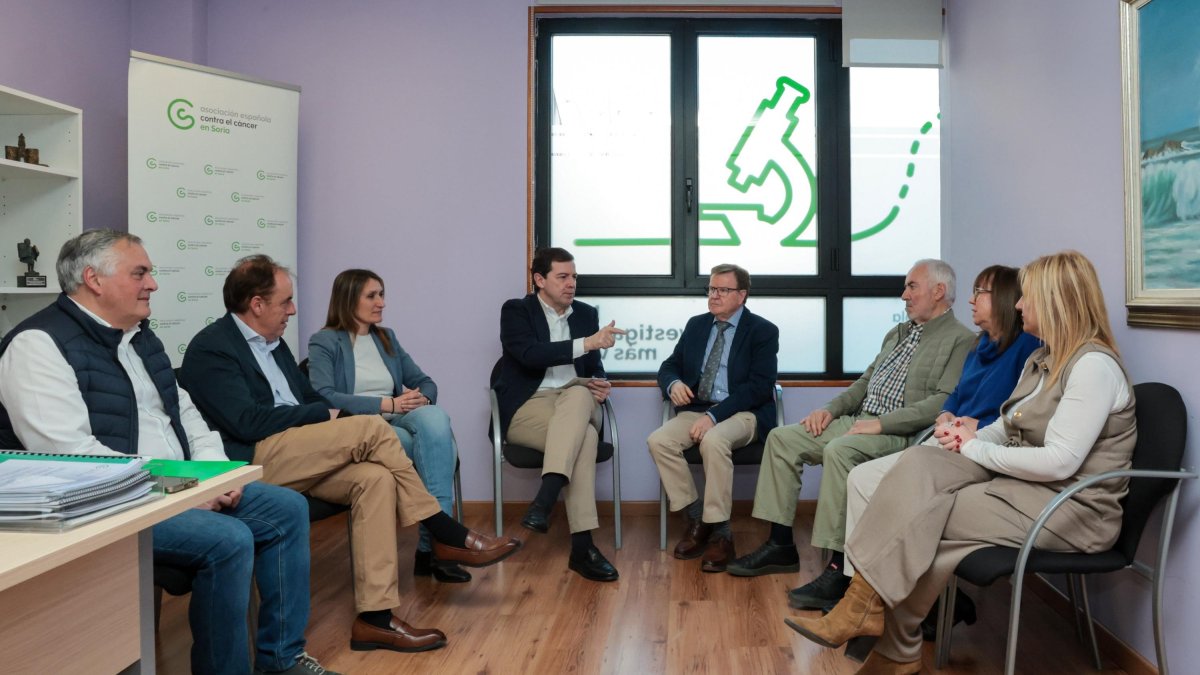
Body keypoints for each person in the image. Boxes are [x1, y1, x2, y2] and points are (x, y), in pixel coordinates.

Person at [0, 230, 336, 675]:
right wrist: (180, 491)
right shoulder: (37, 344)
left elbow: (187, 413)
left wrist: (217, 476)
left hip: (179, 487)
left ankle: (282, 659)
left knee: (287, 508)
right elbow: (77, 461)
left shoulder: (140, 337)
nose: (153, 284)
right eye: (140, 272)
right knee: (229, 539)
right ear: (93, 279)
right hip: (112, 508)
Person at [785, 251, 1136, 675]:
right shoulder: (1043, 361)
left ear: (1057, 301)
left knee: (920, 515)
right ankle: (880, 629)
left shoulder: (1093, 367)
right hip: (1025, 492)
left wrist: (972, 448)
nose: (1019, 304)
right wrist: (965, 437)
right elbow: (1007, 424)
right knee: (918, 465)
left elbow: (1061, 463)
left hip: (1071, 509)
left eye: (1028, 297)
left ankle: (872, 619)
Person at [179, 254, 521, 654]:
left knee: (373, 478)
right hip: (253, 458)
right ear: (256, 304)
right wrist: (326, 414)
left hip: (301, 447)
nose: (293, 310)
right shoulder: (212, 348)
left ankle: (375, 620)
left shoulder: (275, 346)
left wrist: (322, 414)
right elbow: (248, 422)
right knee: (371, 426)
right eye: (285, 302)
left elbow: (306, 396)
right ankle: (444, 531)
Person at [793, 265, 1042, 614]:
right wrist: (946, 415)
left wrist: (970, 426)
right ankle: (860, 587)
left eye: (980, 292)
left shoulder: (1028, 349)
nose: (971, 300)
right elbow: (955, 395)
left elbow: (1015, 416)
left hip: (979, 448)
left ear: (1002, 298)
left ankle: (890, 598)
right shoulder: (981, 345)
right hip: (949, 438)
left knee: (888, 488)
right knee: (863, 478)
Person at [727, 259, 974, 591]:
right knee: (782, 439)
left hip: (899, 433)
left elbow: (943, 402)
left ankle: (838, 565)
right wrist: (829, 410)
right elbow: (864, 383)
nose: (904, 295)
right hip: (858, 420)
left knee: (840, 450)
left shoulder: (961, 340)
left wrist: (881, 424)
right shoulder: (898, 333)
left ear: (939, 290)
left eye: (911, 286)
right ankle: (780, 546)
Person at [308, 268, 469, 583]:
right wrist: (385, 404)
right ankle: (434, 548)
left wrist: (420, 398)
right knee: (437, 448)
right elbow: (322, 394)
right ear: (349, 298)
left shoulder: (386, 337)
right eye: (372, 295)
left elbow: (425, 381)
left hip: (399, 415)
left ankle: (436, 546)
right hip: (362, 426)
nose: (381, 302)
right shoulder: (325, 341)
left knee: (435, 417)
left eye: (382, 294)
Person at [493, 247, 624, 581]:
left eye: (574, 277)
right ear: (540, 280)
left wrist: (601, 383)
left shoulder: (585, 314)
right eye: (562, 277)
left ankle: (545, 497)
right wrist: (587, 344)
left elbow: (594, 368)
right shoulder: (516, 311)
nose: (571, 284)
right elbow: (529, 355)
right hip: (530, 406)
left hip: (575, 401)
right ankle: (582, 549)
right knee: (584, 440)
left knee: (580, 394)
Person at [648, 263, 779, 572]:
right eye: (711, 289)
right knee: (658, 440)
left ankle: (721, 533)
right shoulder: (697, 325)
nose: (714, 295)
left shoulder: (762, 331)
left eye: (723, 290)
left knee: (714, 439)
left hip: (742, 413)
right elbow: (669, 365)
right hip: (698, 408)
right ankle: (697, 518)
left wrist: (715, 415)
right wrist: (674, 383)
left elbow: (759, 387)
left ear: (742, 295)